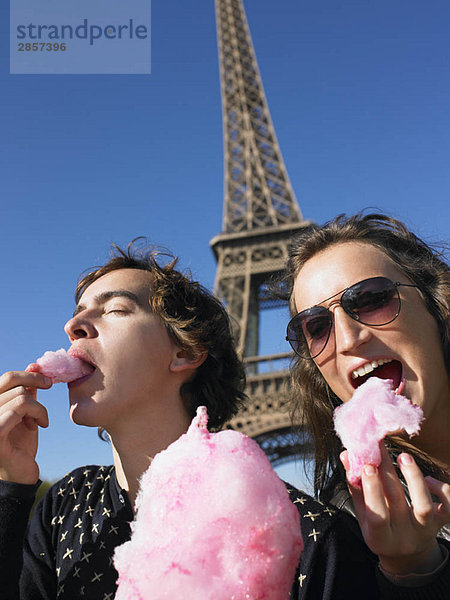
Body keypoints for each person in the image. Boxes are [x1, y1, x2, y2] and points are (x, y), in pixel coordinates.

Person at [0, 241, 248, 599]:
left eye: (115, 309)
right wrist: (11, 489)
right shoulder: (63, 505)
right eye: (78, 312)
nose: (72, 325)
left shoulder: (302, 530)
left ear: (186, 351)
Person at [284, 212, 450, 598]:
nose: (346, 339)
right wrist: (412, 572)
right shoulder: (346, 528)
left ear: (436, 305)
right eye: (316, 327)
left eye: (371, 298)